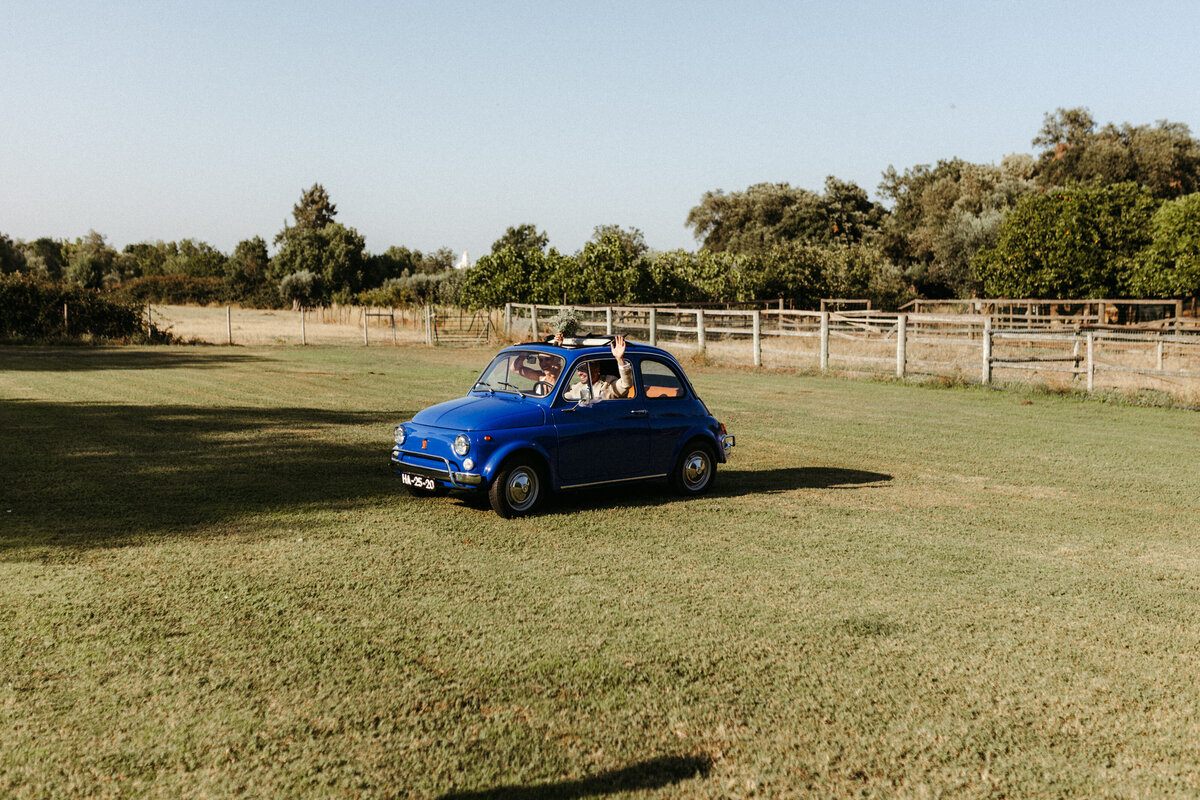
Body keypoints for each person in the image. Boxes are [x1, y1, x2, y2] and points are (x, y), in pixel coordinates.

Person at [563, 335, 634, 401]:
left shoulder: (609, 383)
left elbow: (626, 384)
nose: (579, 373)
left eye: (584, 369)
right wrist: (559, 347)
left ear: (596, 369)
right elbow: (563, 398)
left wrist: (620, 359)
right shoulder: (577, 387)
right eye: (578, 369)